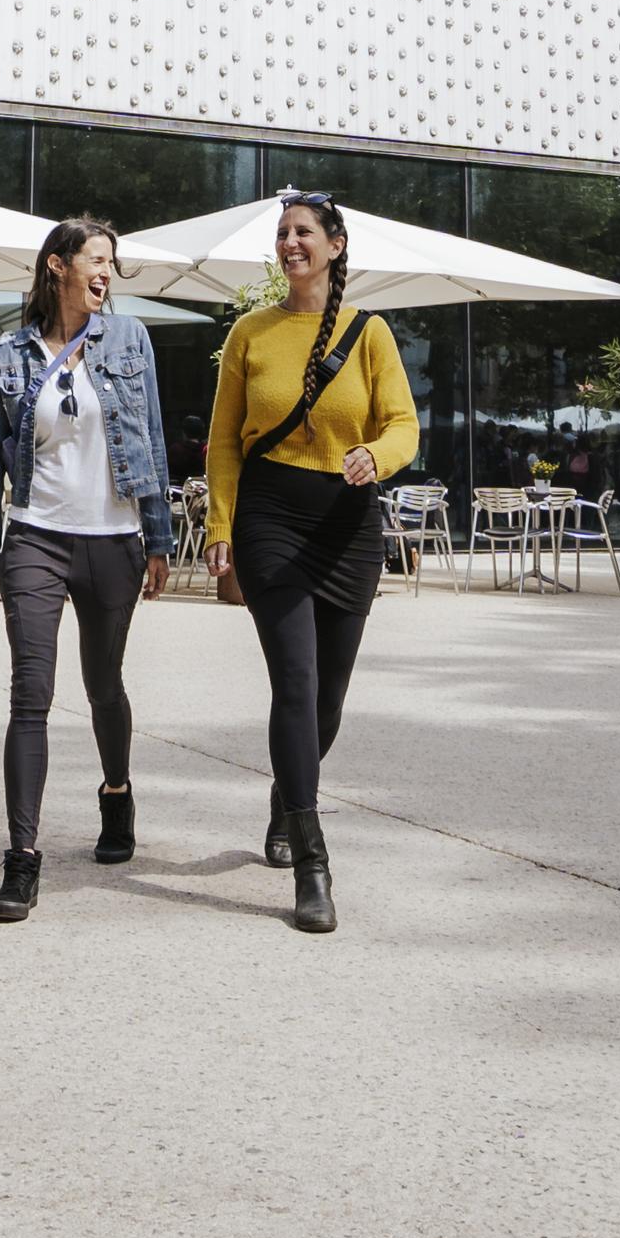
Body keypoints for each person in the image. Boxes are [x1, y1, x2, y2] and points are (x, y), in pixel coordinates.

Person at [208, 192, 416, 935]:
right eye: (283, 234)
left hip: (347, 521)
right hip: (272, 519)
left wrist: (376, 455)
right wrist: (220, 525)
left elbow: (403, 424)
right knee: (294, 683)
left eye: (303, 233)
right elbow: (225, 441)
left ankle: (284, 797)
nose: (290, 244)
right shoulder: (250, 334)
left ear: (333, 245)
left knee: (327, 700)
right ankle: (312, 862)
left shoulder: (371, 333)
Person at [0, 216, 176, 925]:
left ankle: (116, 791)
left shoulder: (130, 340)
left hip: (113, 538)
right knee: (32, 693)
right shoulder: (9, 353)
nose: (106, 272)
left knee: (103, 683)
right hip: (37, 538)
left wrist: (159, 536)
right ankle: (21, 861)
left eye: (111, 262)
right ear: (57, 266)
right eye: (95, 258)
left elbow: (150, 435)